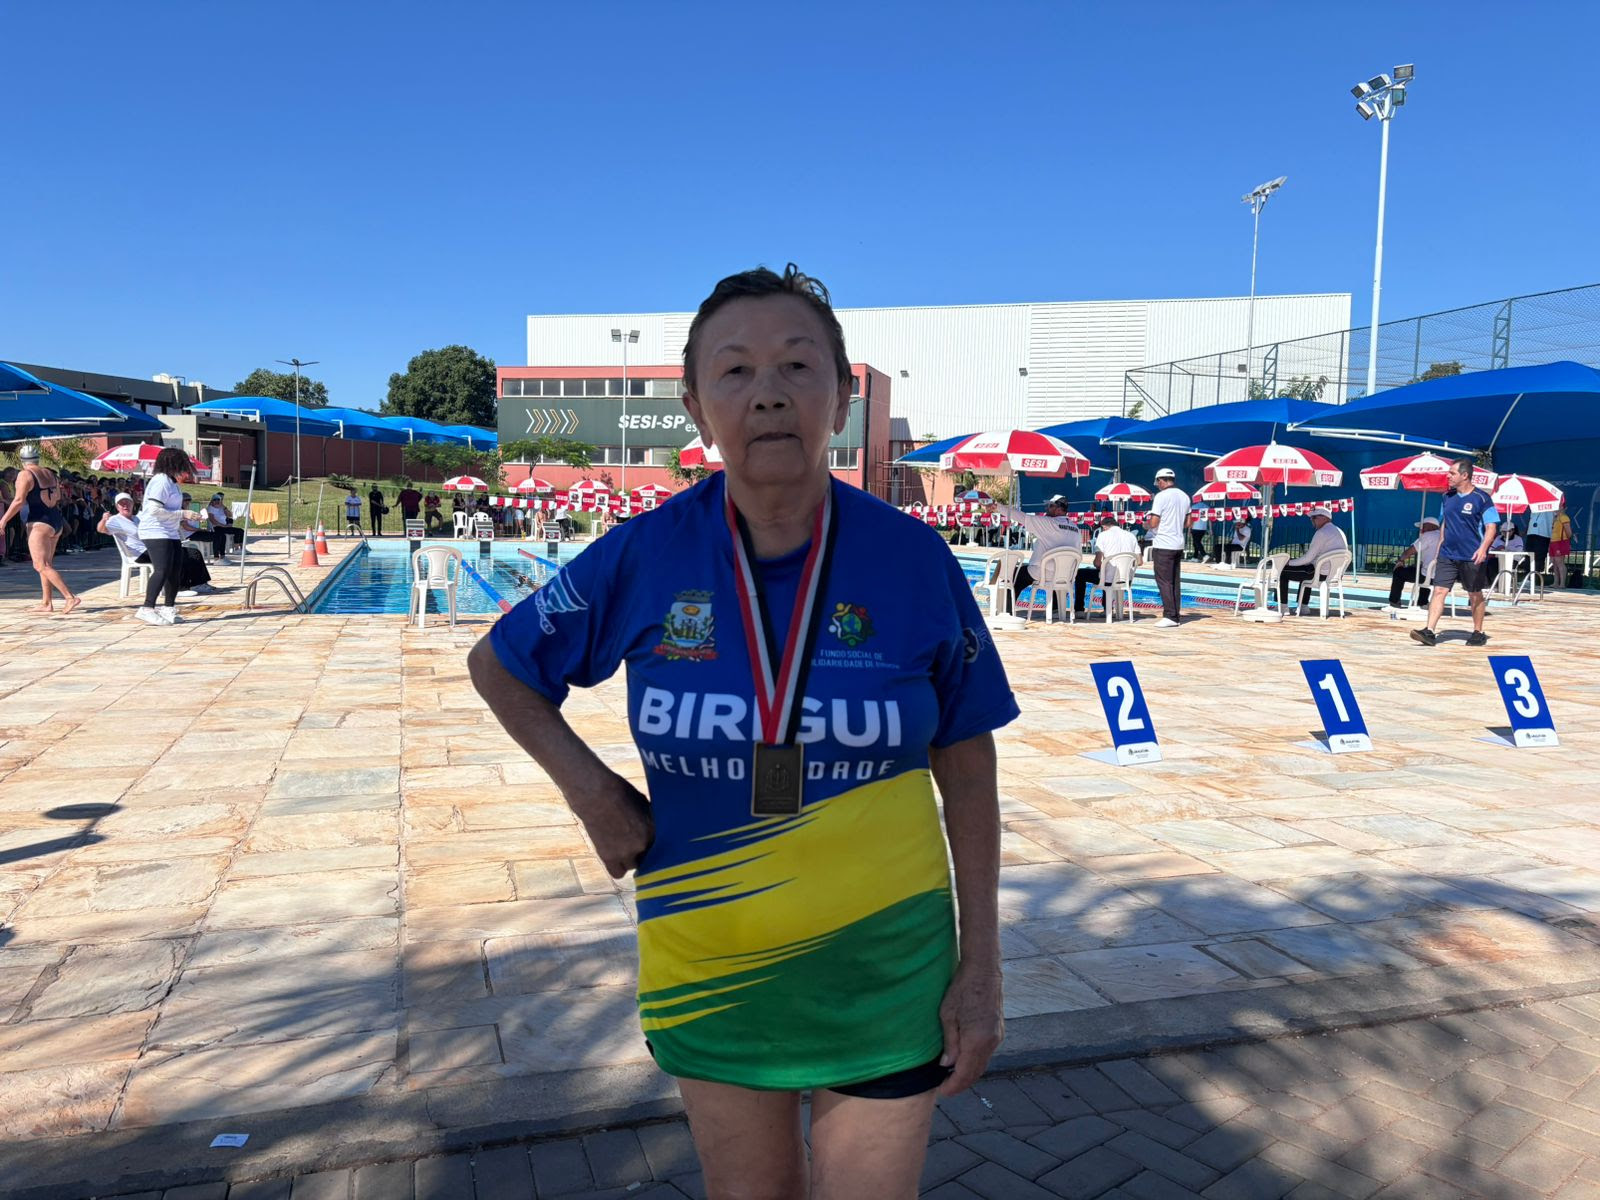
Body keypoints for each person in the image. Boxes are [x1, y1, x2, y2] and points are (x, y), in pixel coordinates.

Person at [469, 264, 1016, 1200]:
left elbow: (967, 762)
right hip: (710, 967)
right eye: (735, 371)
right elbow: (502, 665)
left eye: (798, 365)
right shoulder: (646, 553)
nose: (768, 392)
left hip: (888, 971)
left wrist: (983, 966)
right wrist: (593, 794)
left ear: (840, 398)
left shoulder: (913, 560)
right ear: (696, 405)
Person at [1412, 458, 1499, 647]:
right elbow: (1445, 523)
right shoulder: (1447, 497)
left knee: (1474, 594)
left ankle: (1478, 632)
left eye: (1452, 473)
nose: (1448, 476)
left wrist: (1483, 549)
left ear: (1465, 475)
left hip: (1471, 555)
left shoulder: (1482, 499)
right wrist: (1439, 548)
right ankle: (1429, 631)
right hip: (1448, 554)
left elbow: (1491, 527)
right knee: (1439, 590)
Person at [0, 445, 82, 614]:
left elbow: (18, 500)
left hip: (39, 522)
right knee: (46, 564)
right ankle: (46, 603)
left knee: (40, 565)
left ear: (22, 460)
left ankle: (70, 597)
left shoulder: (25, 474)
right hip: (55, 519)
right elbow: (58, 496)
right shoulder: (50, 473)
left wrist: (3, 520)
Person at [99, 492, 216, 598]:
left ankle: (199, 583)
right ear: (117, 507)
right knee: (174, 555)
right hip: (139, 553)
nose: (125, 506)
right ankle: (178, 588)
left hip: (152, 548)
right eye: (122, 504)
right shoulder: (115, 520)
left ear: (132, 504)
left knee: (192, 552)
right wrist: (104, 520)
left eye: (127, 502)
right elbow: (101, 530)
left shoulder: (137, 518)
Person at [988, 493, 1080, 616]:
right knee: (1053, 567)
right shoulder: (1075, 528)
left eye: (1050, 506)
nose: (1047, 509)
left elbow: (1022, 517)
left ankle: (1006, 611)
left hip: (1044, 573)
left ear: (1059, 509)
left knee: (1013, 575)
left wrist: (997, 507)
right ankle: (1055, 608)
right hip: (1066, 576)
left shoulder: (1049, 523)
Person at [134, 446, 195, 625]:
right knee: (162, 569)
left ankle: (168, 607)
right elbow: (154, 510)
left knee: (175, 570)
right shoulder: (161, 481)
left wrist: (184, 515)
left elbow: (170, 509)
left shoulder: (172, 483)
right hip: (154, 530)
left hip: (170, 531)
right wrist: (183, 514)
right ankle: (147, 608)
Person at [1276, 506, 1349, 610]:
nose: (1311, 520)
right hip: (1335, 575)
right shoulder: (1339, 531)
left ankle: (1282, 607)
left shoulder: (1322, 532)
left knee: (1283, 571)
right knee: (1306, 569)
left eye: (1314, 517)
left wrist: (1288, 563)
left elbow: (1308, 558)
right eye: (1311, 518)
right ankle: (1303, 606)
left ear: (1324, 518)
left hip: (1321, 574)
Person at [1145, 467, 1189, 628]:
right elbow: (1188, 523)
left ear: (1161, 480)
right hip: (1178, 544)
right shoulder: (1185, 496)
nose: (1158, 485)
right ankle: (1175, 615)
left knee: (1164, 581)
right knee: (1175, 581)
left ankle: (1170, 616)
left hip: (1164, 543)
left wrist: (1146, 525)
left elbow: (1154, 523)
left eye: (1158, 482)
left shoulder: (1161, 496)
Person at [1074, 511, 1142, 614]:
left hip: (1108, 580)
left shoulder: (1103, 535)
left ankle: (1079, 610)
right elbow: (1139, 562)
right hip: (1126, 580)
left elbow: (1097, 563)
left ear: (1104, 527)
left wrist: (1102, 566)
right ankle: (1107, 609)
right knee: (1106, 572)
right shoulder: (1131, 536)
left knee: (1081, 574)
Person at [1386, 517, 1441, 611]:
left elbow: (1410, 551)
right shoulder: (1445, 537)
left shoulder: (1428, 536)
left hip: (1427, 576)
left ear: (1429, 526)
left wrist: (1400, 561)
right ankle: (1423, 602)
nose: (1421, 529)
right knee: (1425, 571)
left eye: (1422, 526)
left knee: (1398, 572)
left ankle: (1394, 602)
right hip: (1442, 578)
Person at [1550, 502, 1574, 588]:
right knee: (1554, 562)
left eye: (1559, 506)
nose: (1556, 508)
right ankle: (1556, 582)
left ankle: (1562, 583)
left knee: (1560, 562)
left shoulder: (1564, 517)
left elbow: (1569, 532)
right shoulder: (1555, 518)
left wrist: (1565, 541)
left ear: (1563, 508)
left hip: (1560, 542)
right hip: (1552, 542)